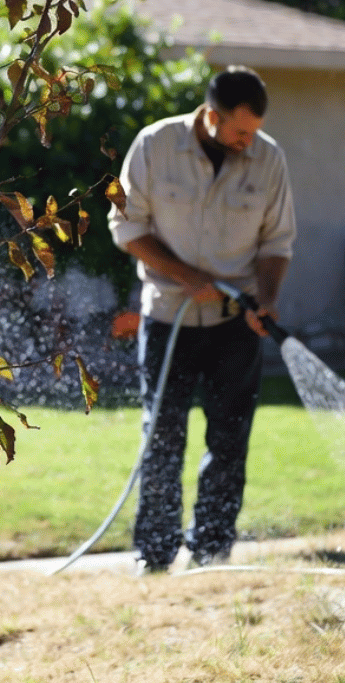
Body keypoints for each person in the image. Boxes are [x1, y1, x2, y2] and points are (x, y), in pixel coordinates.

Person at [108, 65, 296, 573]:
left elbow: (276, 242)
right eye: (239, 131)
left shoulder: (268, 158)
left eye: (254, 132)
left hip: (236, 324)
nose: (247, 142)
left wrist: (269, 297)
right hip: (167, 317)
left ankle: (211, 550)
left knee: (230, 436)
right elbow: (127, 228)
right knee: (163, 435)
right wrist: (187, 276)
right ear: (211, 117)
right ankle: (155, 554)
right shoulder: (155, 146)